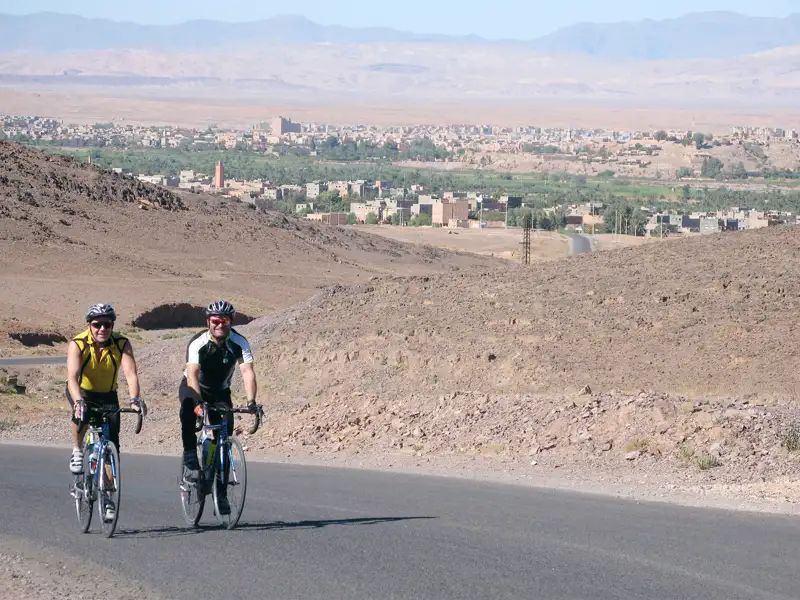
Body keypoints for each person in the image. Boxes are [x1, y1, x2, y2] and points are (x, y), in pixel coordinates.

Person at [66, 303, 146, 521]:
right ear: (89, 325)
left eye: (107, 324)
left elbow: (131, 374)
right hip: (81, 390)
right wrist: (78, 401)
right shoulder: (78, 343)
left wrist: (135, 400)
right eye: (97, 324)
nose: (102, 329)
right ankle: (77, 449)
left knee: (111, 448)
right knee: (80, 414)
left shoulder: (121, 343)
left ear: (112, 325)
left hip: (108, 395)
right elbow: (72, 377)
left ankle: (108, 498)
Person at [179, 300, 257, 515]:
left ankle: (220, 494)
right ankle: (190, 456)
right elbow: (192, 374)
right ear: (208, 322)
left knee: (223, 440)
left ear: (230, 322)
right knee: (187, 410)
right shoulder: (198, 342)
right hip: (194, 388)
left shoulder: (239, 342)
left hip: (221, 392)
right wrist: (196, 402)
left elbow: (247, 372)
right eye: (215, 321)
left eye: (224, 321)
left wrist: (251, 402)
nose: (220, 325)